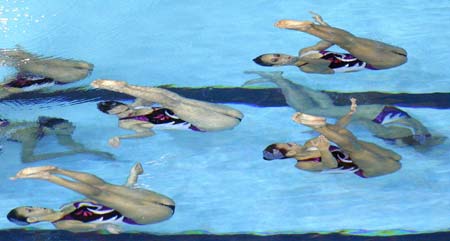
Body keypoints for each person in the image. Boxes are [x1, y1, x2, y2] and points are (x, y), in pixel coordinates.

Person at [243, 71, 445, 150]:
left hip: (388, 115)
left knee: (327, 108)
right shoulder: (394, 134)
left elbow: (435, 137)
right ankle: (279, 80)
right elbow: (357, 121)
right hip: (379, 114)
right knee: (307, 108)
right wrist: (324, 128)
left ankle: (286, 81)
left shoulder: (418, 135)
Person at [7, 162, 175, 233]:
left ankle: (57, 170)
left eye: (31, 205)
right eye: (31, 210)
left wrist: (133, 176)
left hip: (157, 201)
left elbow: (118, 195)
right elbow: (96, 227)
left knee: (103, 187)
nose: (36, 207)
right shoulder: (63, 224)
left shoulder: (69, 205)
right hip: (150, 215)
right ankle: (50, 176)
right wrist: (108, 226)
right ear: (32, 220)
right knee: (100, 193)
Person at [263, 98, 402, 178]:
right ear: (291, 153)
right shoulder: (302, 164)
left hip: (358, 150)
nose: (292, 142)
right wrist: (324, 150)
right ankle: (317, 126)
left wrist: (350, 113)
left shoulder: (310, 143)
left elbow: (337, 130)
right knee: (356, 150)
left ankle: (318, 126)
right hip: (364, 167)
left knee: (344, 135)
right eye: (289, 145)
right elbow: (331, 165)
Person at [91, 79, 244, 147]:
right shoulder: (126, 123)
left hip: (230, 114)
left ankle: (125, 86)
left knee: (174, 98)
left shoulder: (136, 106)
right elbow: (147, 134)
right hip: (212, 124)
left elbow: (158, 93)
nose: (129, 110)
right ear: (111, 115)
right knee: (173, 103)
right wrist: (122, 137)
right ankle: (122, 88)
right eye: (123, 111)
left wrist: (134, 89)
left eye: (126, 107)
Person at [253, 12, 407, 74]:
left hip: (383, 50)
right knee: (349, 43)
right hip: (378, 63)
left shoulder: (304, 51)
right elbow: (324, 64)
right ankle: (306, 28)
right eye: (276, 60)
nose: (281, 57)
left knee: (352, 40)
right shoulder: (305, 68)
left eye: (277, 54)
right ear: (276, 66)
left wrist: (324, 24)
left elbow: (328, 41)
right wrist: (301, 60)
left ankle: (311, 27)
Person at [0, 116, 114, 162]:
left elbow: (68, 142)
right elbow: (27, 159)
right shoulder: (30, 136)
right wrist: (67, 154)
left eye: (71, 126)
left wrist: (94, 152)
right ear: (48, 129)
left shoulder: (50, 123)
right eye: (66, 129)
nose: (71, 129)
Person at [0, 47, 93, 99]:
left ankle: (14, 55)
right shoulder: (10, 88)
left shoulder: (10, 85)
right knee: (31, 64)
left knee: (85, 67)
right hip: (65, 77)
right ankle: (14, 54)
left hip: (64, 77)